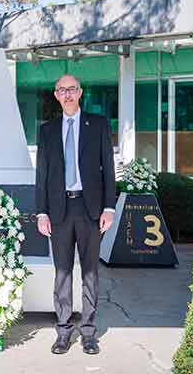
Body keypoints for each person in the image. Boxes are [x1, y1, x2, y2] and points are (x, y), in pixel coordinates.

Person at [35, 74, 116, 355]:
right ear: (56, 95)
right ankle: (63, 331)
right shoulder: (47, 130)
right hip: (58, 210)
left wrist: (109, 207)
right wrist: (41, 212)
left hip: (90, 209)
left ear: (80, 92)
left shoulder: (98, 125)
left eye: (71, 89)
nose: (67, 94)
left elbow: (108, 167)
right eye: (62, 90)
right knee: (62, 272)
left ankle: (89, 332)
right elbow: (42, 174)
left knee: (91, 272)